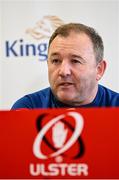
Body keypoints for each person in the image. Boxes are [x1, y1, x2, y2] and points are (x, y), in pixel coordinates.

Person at [11, 23, 119, 109]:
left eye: (75, 61)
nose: (63, 71)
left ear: (99, 70)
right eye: (56, 60)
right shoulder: (27, 109)